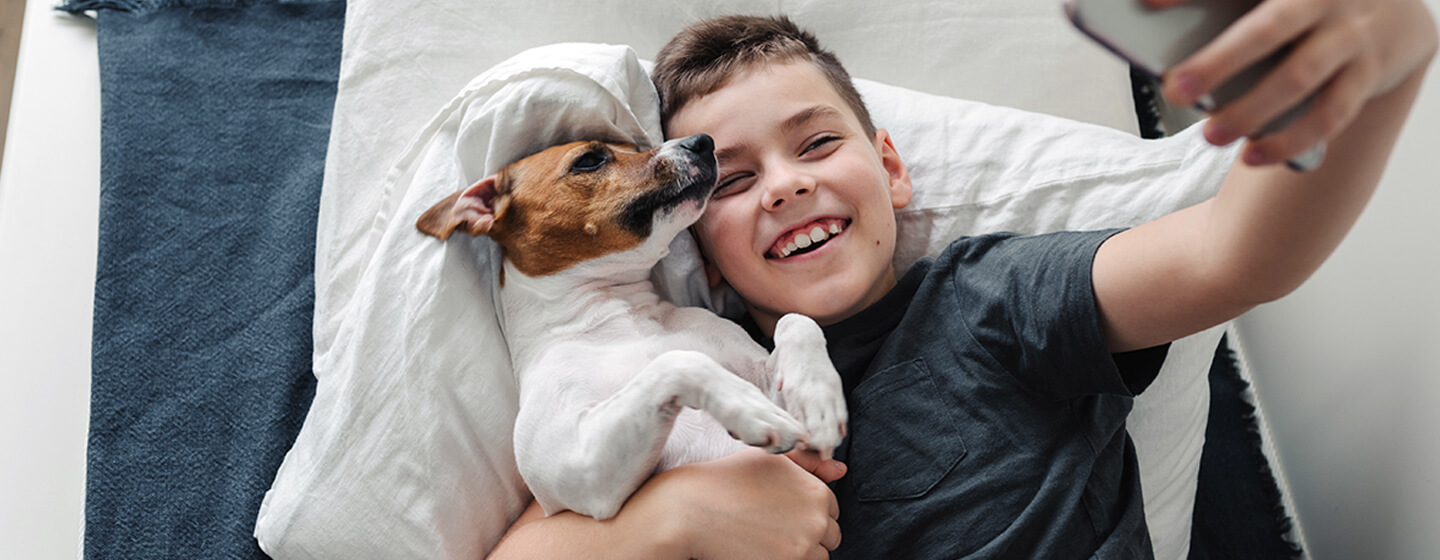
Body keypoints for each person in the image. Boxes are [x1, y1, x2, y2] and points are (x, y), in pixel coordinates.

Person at [488, 0, 1437, 558]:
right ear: (692, 233)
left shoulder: (990, 297)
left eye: (817, 142)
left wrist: (1390, 63)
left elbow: (1236, 254)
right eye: (734, 181)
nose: (789, 185)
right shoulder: (687, 376)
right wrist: (676, 521)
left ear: (892, 172)